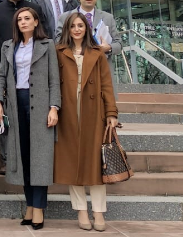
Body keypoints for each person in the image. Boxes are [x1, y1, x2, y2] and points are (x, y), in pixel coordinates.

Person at [0, 7, 60, 231]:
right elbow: (1, 76)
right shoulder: (8, 46)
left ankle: (38, 208)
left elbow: (54, 80)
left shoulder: (47, 45)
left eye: (27, 18)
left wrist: (54, 107)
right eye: (19, 19)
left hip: (40, 105)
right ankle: (30, 206)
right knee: (23, 157)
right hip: (15, 103)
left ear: (36, 21)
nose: (23, 22)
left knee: (39, 157)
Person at [54, 12, 119, 232]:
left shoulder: (97, 53)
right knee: (74, 162)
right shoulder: (59, 52)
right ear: (67, 29)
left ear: (87, 28)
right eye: (73, 26)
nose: (77, 29)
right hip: (68, 112)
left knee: (95, 164)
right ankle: (81, 210)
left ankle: (99, 213)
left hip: (94, 111)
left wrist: (111, 112)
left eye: (81, 25)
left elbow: (106, 84)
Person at [0, 0, 49, 175]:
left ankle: (33, 158)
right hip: (5, 70)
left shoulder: (34, 8)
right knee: (4, 116)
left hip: (33, 70)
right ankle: (7, 159)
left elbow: (45, 35)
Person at [56, 0, 121, 57]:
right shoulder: (65, 17)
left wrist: (109, 47)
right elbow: (59, 41)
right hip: (75, 63)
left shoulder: (108, 17)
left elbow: (119, 43)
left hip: (102, 64)